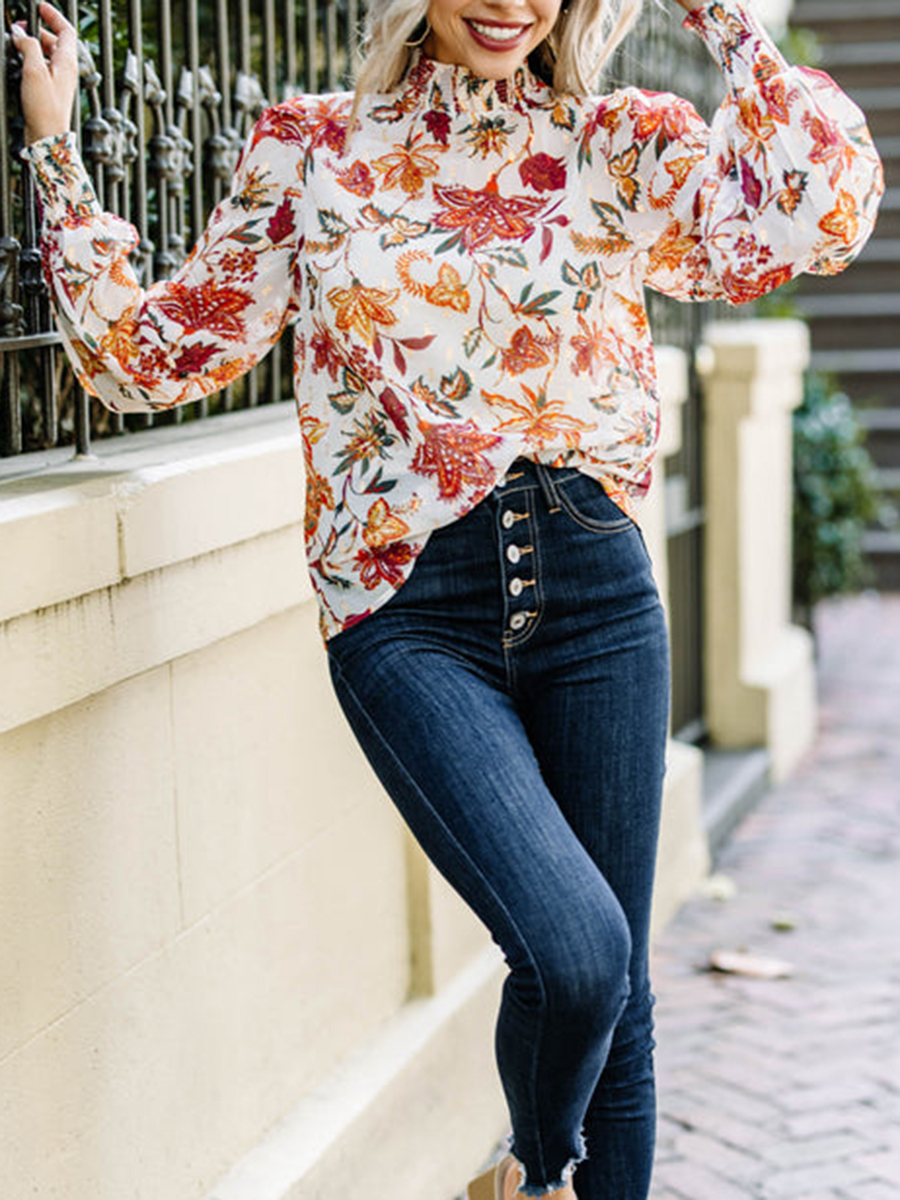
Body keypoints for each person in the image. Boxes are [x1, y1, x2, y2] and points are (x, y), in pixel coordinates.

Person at [14, 0, 882, 1196]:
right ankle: (536, 1173)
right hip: (410, 612)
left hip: (597, 590)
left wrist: (720, 18)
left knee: (622, 1007)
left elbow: (822, 211)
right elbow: (149, 357)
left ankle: (547, 1176)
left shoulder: (613, 141)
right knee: (576, 957)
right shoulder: (310, 148)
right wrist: (56, 152)